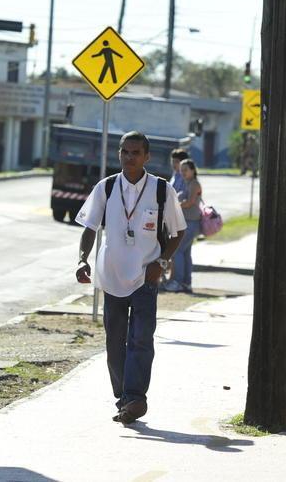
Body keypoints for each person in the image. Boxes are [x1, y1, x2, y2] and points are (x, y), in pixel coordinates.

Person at [75, 131, 185, 424]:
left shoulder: (162, 191)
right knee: (115, 341)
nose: (129, 157)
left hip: (146, 277)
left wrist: (161, 262)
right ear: (119, 154)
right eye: (125, 152)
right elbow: (89, 227)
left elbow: (178, 232)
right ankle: (123, 398)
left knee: (141, 339)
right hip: (111, 276)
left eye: (136, 152)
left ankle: (136, 398)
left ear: (147, 157)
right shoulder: (107, 188)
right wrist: (82, 259)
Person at [166, 158, 201, 293]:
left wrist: (174, 206)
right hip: (186, 222)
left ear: (193, 170)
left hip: (190, 222)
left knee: (177, 251)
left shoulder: (194, 184)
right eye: (181, 170)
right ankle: (186, 283)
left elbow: (190, 202)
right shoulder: (187, 183)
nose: (183, 172)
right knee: (185, 253)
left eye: (186, 170)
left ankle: (178, 282)